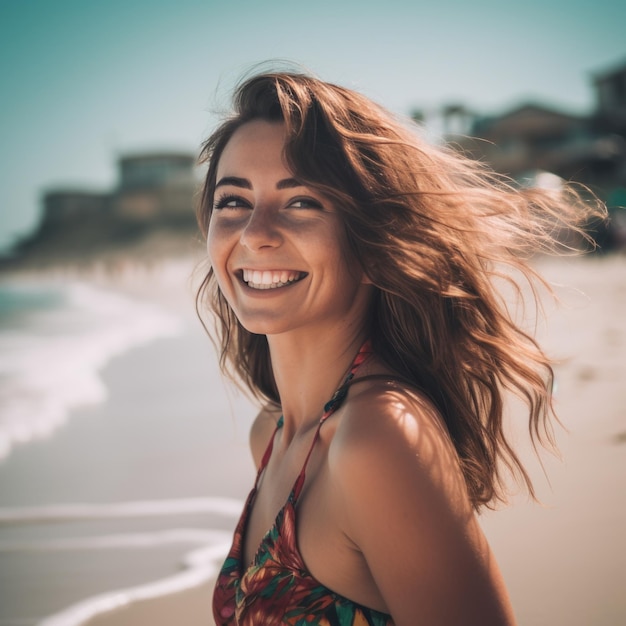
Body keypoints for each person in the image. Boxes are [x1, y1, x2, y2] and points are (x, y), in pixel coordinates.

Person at [196, 70, 603, 625]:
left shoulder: (376, 439)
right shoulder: (270, 432)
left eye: (302, 203)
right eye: (233, 201)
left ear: (371, 238)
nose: (255, 233)